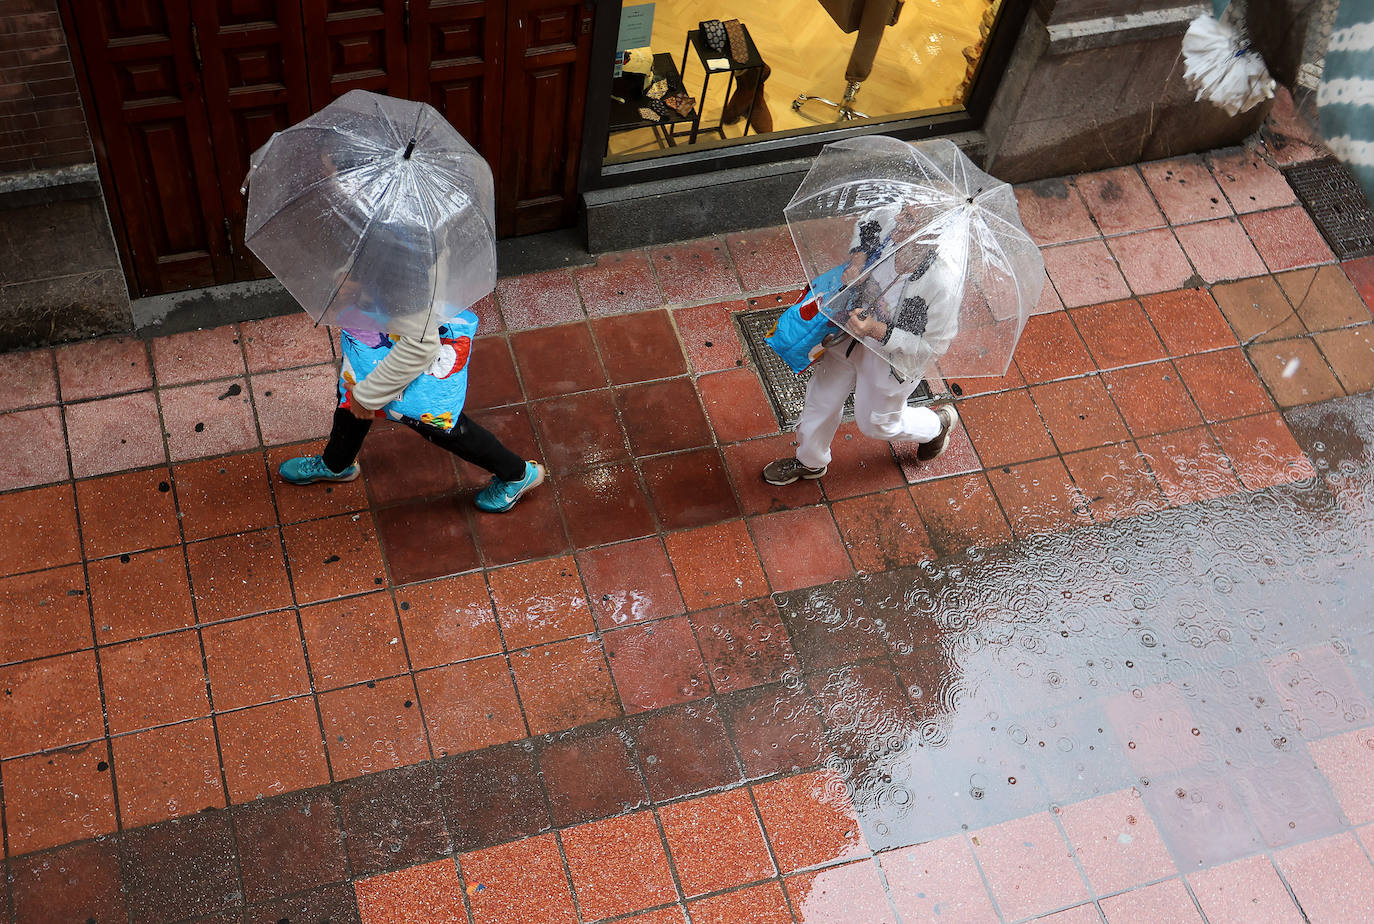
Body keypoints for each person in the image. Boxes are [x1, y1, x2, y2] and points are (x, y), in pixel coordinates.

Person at [277, 282, 544, 513]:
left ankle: (516, 474)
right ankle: (337, 464)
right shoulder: (392, 249)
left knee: (441, 427)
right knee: (350, 401)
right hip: (374, 346)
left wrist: (368, 396)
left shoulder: (402, 269)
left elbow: (421, 346)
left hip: (403, 362)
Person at [763, 201, 959, 486]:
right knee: (821, 399)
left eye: (910, 219)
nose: (899, 219)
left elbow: (933, 345)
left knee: (876, 423)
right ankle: (810, 461)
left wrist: (877, 329)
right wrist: (857, 263)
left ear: (930, 236)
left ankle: (936, 426)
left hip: (888, 357)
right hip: (847, 330)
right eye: (905, 211)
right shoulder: (893, 219)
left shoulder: (942, 283)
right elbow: (869, 223)